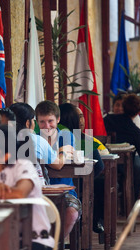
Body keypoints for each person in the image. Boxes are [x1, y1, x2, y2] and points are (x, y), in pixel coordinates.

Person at [35, 100, 80, 238]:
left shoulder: (66, 136)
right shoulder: (35, 139)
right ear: (36, 122)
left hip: (64, 190)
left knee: (72, 213)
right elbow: (58, 160)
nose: (47, 126)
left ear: (58, 119)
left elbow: (58, 163)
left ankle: (56, 246)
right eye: (42, 122)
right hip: (40, 190)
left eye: (50, 121)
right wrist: (62, 151)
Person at [58, 103, 105, 233]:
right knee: (100, 183)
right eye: (78, 117)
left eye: (82, 116)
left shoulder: (51, 137)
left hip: (61, 185)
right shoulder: (83, 140)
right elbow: (99, 166)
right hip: (72, 187)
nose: (82, 121)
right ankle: (94, 221)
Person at [8, 102, 68, 185]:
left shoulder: (0, 140)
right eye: (33, 120)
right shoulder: (37, 140)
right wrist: (64, 152)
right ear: (28, 123)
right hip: (36, 191)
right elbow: (58, 165)